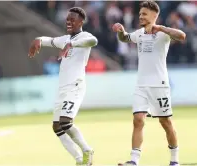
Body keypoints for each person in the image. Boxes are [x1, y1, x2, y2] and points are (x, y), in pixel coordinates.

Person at [112, 1, 186, 166]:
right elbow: (124, 38)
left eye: (144, 14)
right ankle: (134, 160)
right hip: (141, 85)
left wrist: (161, 28)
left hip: (159, 85)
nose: (141, 16)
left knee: (165, 122)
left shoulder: (163, 34)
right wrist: (121, 31)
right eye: (140, 14)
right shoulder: (139, 33)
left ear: (154, 16)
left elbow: (182, 36)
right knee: (138, 119)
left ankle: (174, 160)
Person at [28, 7, 97, 166]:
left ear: (81, 22)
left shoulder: (84, 37)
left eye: (72, 19)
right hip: (62, 89)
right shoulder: (64, 39)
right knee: (57, 127)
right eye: (67, 19)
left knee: (66, 122)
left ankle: (87, 150)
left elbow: (94, 41)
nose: (69, 22)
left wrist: (72, 44)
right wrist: (37, 39)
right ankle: (79, 160)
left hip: (75, 86)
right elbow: (49, 40)